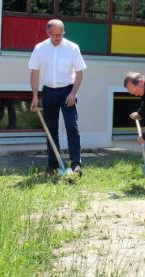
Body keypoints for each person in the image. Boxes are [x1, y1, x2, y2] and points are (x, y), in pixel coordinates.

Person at [29, 19, 87, 174]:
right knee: (50, 129)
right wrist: (35, 96)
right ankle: (53, 165)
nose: (57, 38)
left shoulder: (72, 48)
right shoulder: (39, 48)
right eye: (54, 35)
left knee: (71, 126)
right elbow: (34, 73)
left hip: (68, 91)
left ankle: (76, 164)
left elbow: (80, 73)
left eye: (60, 34)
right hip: (48, 92)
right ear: (47, 32)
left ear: (63, 32)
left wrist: (73, 93)